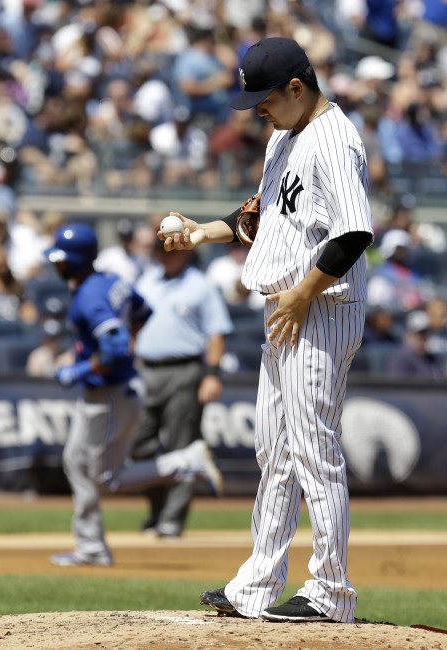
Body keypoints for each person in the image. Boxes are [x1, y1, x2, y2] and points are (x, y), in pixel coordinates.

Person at [159, 37, 374, 623]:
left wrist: (304, 294)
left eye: (265, 99)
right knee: (273, 450)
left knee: (312, 448)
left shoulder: (335, 139)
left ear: (297, 88)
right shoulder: (287, 133)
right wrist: (205, 231)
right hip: (287, 308)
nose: (258, 110)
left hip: (320, 306)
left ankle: (331, 592)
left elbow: (355, 233)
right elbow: (267, 215)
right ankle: (255, 585)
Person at [45, 222, 223, 567]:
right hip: (115, 390)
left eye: (61, 259)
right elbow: (142, 312)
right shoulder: (110, 280)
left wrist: (79, 369)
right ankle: (90, 545)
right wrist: (108, 351)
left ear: (75, 260)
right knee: (75, 462)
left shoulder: (89, 294)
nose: (56, 264)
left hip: (110, 393)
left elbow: (113, 349)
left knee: (104, 478)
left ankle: (187, 462)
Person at [132, 243, 233, 538]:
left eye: (171, 249)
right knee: (138, 445)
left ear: (185, 251)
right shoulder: (147, 281)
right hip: (145, 370)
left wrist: (212, 375)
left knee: (182, 445)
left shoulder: (200, 285)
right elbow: (132, 325)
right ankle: (157, 508)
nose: (165, 254)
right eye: (160, 249)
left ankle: (173, 518)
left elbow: (216, 333)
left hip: (185, 370)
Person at [386, 308, 446, 378]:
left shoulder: (433, 357)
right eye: (419, 333)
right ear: (408, 335)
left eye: (426, 332)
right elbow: (395, 386)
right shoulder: (400, 358)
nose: (424, 336)